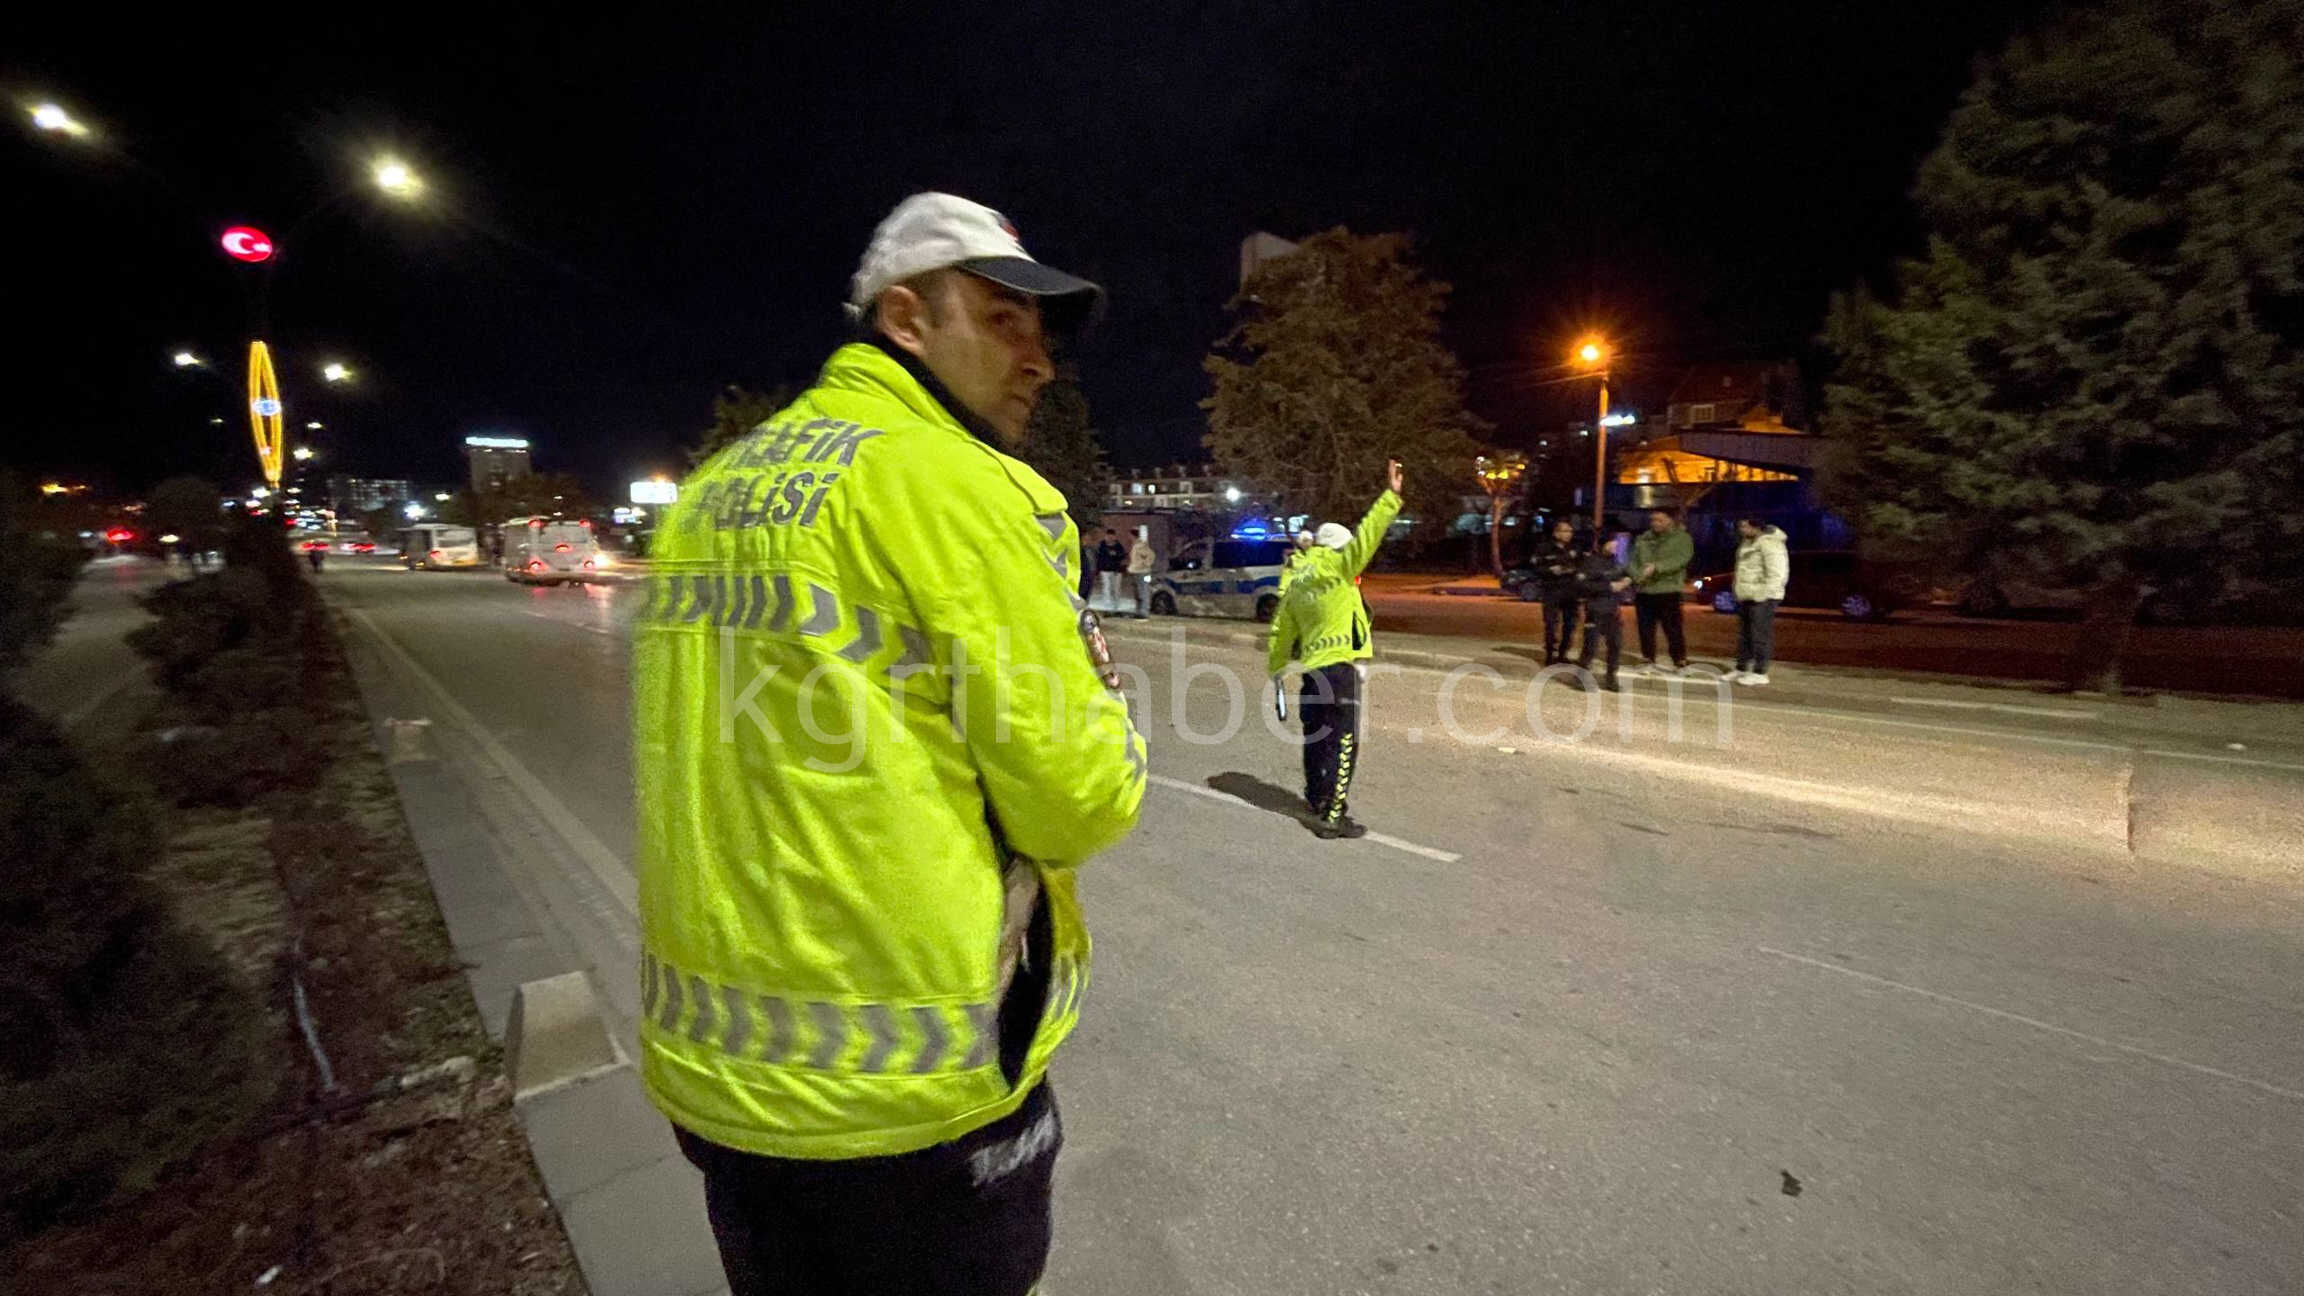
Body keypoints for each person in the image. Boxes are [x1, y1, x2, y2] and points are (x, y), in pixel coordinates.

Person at [633, 192, 1147, 1296]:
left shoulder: (711, 495)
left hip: (721, 1080)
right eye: (1002, 321)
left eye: (1041, 333)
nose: (1038, 361)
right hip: (909, 1108)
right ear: (906, 319)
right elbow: (1078, 798)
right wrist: (1117, 729)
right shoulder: (961, 488)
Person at [1266, 460, 1405, 839]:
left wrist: (1276, 669)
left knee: (1316, 735)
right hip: (1340, 669)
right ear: (1338, 549)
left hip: (1313, 670)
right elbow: (1368, 535)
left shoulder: (1299, 578)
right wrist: (1390, 497)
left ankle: (1316, 796)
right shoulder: (1339, 567)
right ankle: (1332, 813)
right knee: (1344, 740)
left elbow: (1281, 629)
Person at [1629, 507, 1693, 674]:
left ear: (1670, 520)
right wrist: (1636, 576)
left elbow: (1681, 559)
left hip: (1668, 591)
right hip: (1644, 591)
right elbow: (1633, 561)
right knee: (1645, 629)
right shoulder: (1643, 539)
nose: (1655, 523)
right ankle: (1648, 659)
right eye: (1653, 520)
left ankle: (1679, 661)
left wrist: (1657, 567)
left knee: (1673, 629)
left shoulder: (1682, 538)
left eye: (1660, 520)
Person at [1729, 517, 1789, 686]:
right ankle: (1741, 668)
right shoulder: (1747, 542)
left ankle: (1760, 672)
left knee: (1760, 635)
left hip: (1763, 597)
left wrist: (1766, 594)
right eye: (1740, 526)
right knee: (1745, 634)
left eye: (1745, 526)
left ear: (1756, 526)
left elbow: (1777, 573)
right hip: (1747, 594)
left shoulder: (1770, 543)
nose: (1741, 529)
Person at [1573, 532, 1633, 691]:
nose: (1615, 546)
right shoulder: (1590, 562)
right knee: (1590, 646)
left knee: (1615, 645)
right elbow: (1581, 585)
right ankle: (1580, 678)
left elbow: (1626, 576)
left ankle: (1611, 678)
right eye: (1611, 542)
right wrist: (1608, 587)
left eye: (1616, 543)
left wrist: (1627, 580)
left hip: (1613, 610)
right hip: (1595, 609)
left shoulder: (1617, 562)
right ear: (1603, 544)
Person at [1529, 517, 1582, 665]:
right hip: (1551, 591)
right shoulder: (1544, 548)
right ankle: (1549, 654)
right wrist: (1550, 570)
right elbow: (1536, 568)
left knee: (1570, 624)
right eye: (1564, 531)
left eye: (1570, 531)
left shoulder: (1575, 548)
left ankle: (1563, 653)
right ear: (1556, 533)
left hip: (1570, 592)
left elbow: (1582, 567)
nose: (1568, 534)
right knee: (1551, 624)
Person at [1094, 527, 1128, 612]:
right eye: (1108, 536)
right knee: (1106, 587)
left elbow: (1123, 556)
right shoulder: (1102, 545)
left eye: (1112, 536)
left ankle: (1116, 605)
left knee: (1116, 588)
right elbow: (1098, 557)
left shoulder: (1118, 546)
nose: (1110, 538)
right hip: (1104, 570)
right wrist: (1097, 569)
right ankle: (1107, 606)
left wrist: (1116, 555)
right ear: (1106, 536)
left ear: (1114, 537)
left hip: (1116, 571)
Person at [1128, 528, 1158, 617]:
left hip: (1142, 572)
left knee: (1143, 591)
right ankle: (1139, 611)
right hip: (1135, 571)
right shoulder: (1135, 545)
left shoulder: (1140, 545)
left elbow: (1151, 555)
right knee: (1138, 593)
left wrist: (1144, 564)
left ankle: (1144, 611)